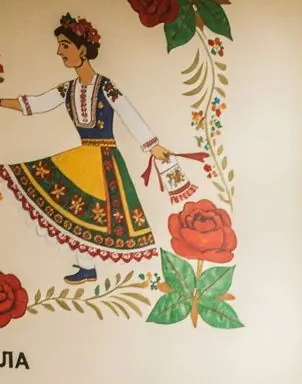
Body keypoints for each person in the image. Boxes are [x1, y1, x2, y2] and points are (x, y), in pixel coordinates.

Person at [0, 14, 179, 283]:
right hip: (83, 157)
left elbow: (128, 113)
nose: (59, 51)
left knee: (100, 214)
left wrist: (152, 146)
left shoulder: (106, 86)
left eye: (64, 45)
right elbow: (34, 104)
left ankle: (90, 266)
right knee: (76, 210)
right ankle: (86, 267)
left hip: (105, 159)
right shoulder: (67, 89)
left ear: (82, 49)